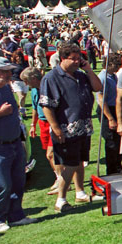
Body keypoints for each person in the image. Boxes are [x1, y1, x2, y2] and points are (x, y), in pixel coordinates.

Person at [40, 41, 102, 212]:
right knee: (70, 164)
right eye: (73, 59)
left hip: (84, 127)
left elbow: (98, 87)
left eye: (79, 59)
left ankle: (80, 192)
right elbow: (47, 105)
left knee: (80, 161)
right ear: (62, 59)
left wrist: (88, 69)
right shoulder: (51, 78)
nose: (76, 62)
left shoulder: (81, 75)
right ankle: (61, 199)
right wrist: (56, 128)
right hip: (66, 129)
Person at [0, 57, 37, 233]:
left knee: (17, 182)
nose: (8, 74)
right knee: (2, 184)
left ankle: (16, 215)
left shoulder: (6, 88)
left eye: (8, 71)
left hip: (14, 142)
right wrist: (0, 112)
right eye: (4, 71)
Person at [21, 67, 59, 194]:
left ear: (33, 78)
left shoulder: (48, 86)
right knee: (48, 154)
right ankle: (59, 178)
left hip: (51, 122)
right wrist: (33, 124)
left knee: (51, 154)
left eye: (26, 81)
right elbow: (34, 106)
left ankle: (61, 180)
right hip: (42, 122)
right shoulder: (34, 91)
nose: (26, 85)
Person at [97, 53, 122, 175]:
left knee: (117, 141)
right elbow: (102, 100)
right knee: (111, 142)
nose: (119, 67)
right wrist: (110, 118)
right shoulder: (103, 78)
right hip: (108, 111)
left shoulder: (112, 76)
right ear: (110, 64)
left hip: (114, 109)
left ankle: (118, 166)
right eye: (117, 65)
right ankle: (112, 171)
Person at [10, 50, 29, 118]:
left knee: (24, 98)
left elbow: (27, 72)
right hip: (16, 82)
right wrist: (10, 81)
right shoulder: (13, 65)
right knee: (21, 96)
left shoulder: (25, 64)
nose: (19, 58)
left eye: (20, 56)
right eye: (17, 56)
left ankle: (22, 111)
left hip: (25, 82)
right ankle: (20, 110)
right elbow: (10, 74)